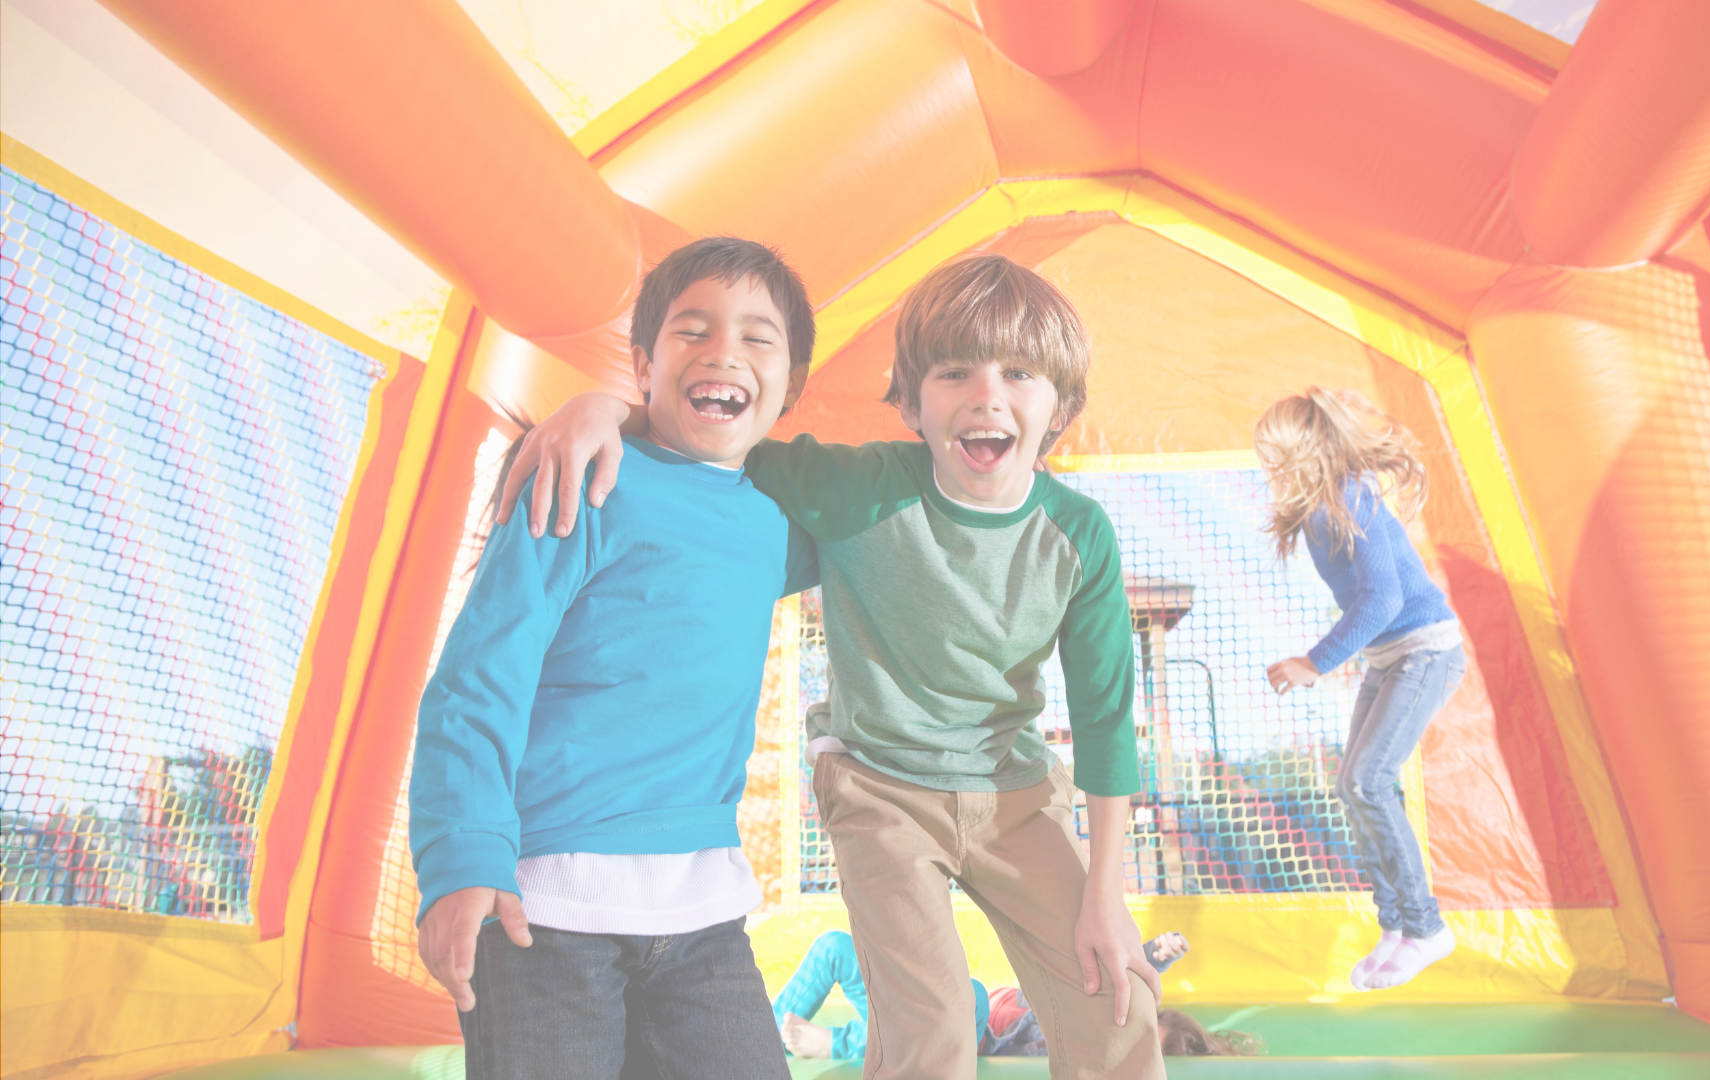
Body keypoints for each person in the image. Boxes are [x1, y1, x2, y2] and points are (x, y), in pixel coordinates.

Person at [499, 253, 1164, 1079]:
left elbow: (1104, 723)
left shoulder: (1076, 536)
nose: (986, 395)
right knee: (935, 1022)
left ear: (1059, 404)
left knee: (1119, 999)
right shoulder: (858, 489)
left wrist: (1107, 896)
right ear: (911, 404)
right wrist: (601, 407)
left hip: (1015, 793)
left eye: (1019, 374)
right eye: (954, 373)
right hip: (883, 792)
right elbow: (708, 429)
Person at [409, 237, 820, 1080]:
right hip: (543, 906)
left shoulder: (777, 524)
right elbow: (477, 676)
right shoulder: (585, 475)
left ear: (792, 386)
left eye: (756, 338)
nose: (722, 353)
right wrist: (460, 859)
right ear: (642, 362)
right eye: (691, 332)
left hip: (703, 913)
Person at [1254, 387, 1467, 992]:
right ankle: (1398, 930)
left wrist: (1314, 662)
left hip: (1425, 651)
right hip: (1387, 660)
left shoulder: (1352, 497)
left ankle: (1426, 927)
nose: (1268, 466)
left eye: (1275, 454)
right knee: (1354, 784)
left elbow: (1386, 598)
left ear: (1306, 451)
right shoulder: (1320, 509)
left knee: (1370, 780)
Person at [774, 932, 1258, 1059]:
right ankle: (766, 1032)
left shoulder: (1073, 1051)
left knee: (973, 997)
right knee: (835, 948)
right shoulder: (1085, 1007)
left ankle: (835, 1043)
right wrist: (1156, 954)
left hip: (959, 1040)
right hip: (917, 1019)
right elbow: (1119, 982)